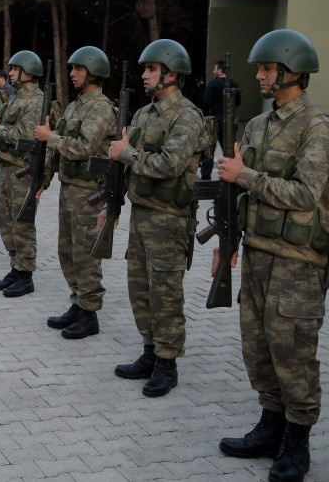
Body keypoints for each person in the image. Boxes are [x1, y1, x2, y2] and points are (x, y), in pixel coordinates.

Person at [216, 30, 329, 482]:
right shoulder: (257, 125)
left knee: (292, 352)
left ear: (292, 71)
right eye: (260, 68)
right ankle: (269, 427)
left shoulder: (319, 127)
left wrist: (245, 175)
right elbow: (235, 193)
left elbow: (305, 194)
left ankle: (297, 443)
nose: (258, 76)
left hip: (297, 262)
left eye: (266, 69)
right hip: (256, 252)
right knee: (258, 348)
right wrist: (227, 242)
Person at [104, 38, 209, 398]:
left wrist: (127, 153)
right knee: (140, 289)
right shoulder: (143, 114)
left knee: (165, 293)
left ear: (171, 73)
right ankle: (149, 351)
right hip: (142, 213)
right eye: (145, 69)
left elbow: (170, 164)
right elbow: (124, 163)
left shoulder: (187, 117)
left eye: (151, 69)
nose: (144, 75)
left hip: (169, 219)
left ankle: (167, 362)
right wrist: (113, 201)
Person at [36, 47, 117, 338]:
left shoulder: (101, 108)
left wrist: (50, 137)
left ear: (93, 72)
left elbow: (83, 146)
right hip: (69, 188)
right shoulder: (75, 106)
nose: (72, 74)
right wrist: (43, 179)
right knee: (67, 250)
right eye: (72, 69)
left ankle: (89, 312)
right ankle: (77, 301)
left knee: (85, 253)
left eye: (78, 69)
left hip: (88, 193)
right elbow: (57, 146)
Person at [0, 50, 45, 297]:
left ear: (27, 72)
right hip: (7, 167)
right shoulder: (15, 98)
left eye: (14, 69)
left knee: (22, 224)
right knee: (7, 222)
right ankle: (15, 266)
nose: (10, 73)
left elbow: (24, 135)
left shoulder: (36, 101)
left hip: (23, 170)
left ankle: (26, 273)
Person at [200, 58, 241, 179]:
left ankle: (206, 178)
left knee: (209, 151)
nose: (213, 71)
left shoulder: (212, 84)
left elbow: (206, 102)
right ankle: (230, 177)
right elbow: (238, 102)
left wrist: (206, 116)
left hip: (214, 120)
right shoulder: (234, 84)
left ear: (219, 70)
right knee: (229, 152)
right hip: (229, 119)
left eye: (215, 68)